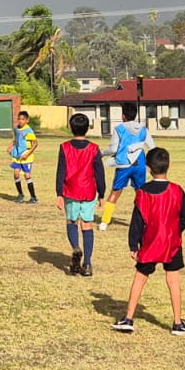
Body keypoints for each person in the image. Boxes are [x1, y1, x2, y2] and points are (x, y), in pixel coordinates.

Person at [113, 148, 185, 335]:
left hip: (149, 242)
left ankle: (129, 318)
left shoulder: (143, 192)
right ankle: (178, 323)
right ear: (169, 165)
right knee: (173, 279)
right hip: (172, 243)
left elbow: (137, 221)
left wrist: (134, 244)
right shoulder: (177, 190)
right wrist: (174, 231)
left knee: (140, 277)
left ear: (148, 168)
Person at [57, 112, 107, 276]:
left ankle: (75, 248)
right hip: (88, 190)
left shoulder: (64, 147)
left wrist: (59, 193)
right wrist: (102, 193)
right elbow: (99, 172)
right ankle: (87, 264)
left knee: (72, 221)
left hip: (71, 190)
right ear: (88, 128)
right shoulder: (93, 148)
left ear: (71, 128)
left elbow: (61, 171)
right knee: (87, 224)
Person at [99, 103, 151, 229]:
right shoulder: (144, 129)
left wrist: (101, 153)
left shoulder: (119, 128)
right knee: (141, 193)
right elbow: (151, 147)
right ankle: (145, 221)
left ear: (123, 116)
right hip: (139, 164)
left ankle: (104, 222)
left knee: (115, 192)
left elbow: (113, 149)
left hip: (123, 164)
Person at [9, 109, 40, 203]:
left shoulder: (28, 131)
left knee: (27, 176)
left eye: (22, 119)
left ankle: (33, 197)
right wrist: (10, 147)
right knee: (16, 174)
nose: (20, 121)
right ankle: (21, 195)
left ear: (27, 120)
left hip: (26, 156)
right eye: (19, 119)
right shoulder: (16, 129)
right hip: (17, 156)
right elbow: (16, 140)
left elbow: (35, 144)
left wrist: (27, 154)